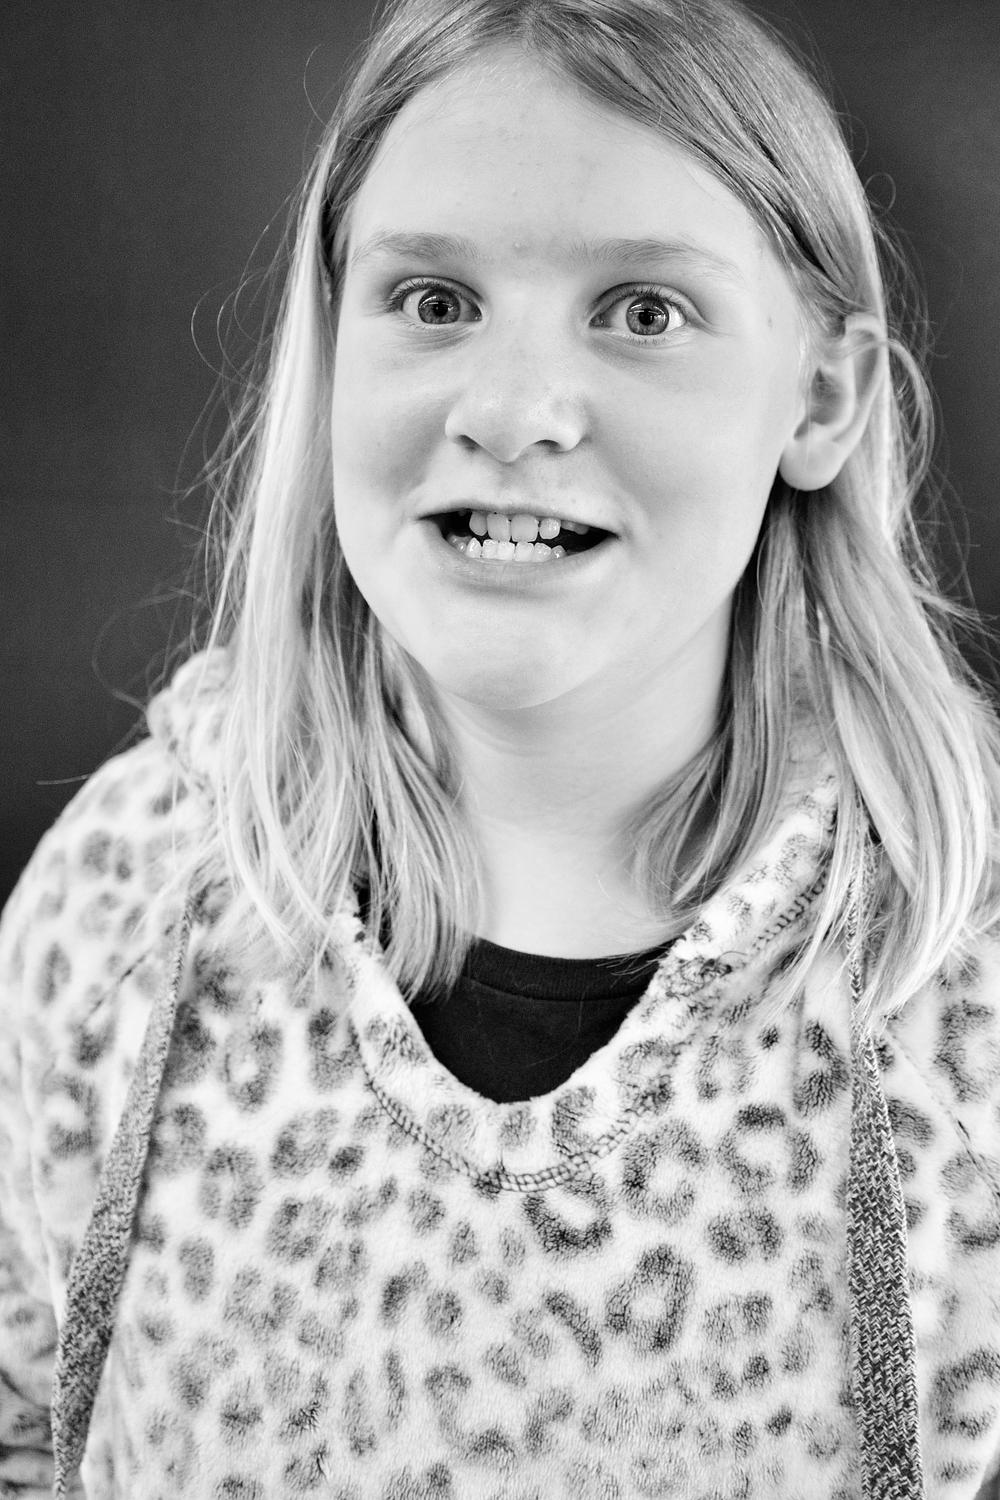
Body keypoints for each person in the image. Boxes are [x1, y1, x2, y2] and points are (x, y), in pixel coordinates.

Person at [2, 0, 1000, 1495]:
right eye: (434, 299)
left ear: (822, 396)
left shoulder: (968, 998)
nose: (515, 411)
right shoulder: (123, 901)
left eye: (644, 312)